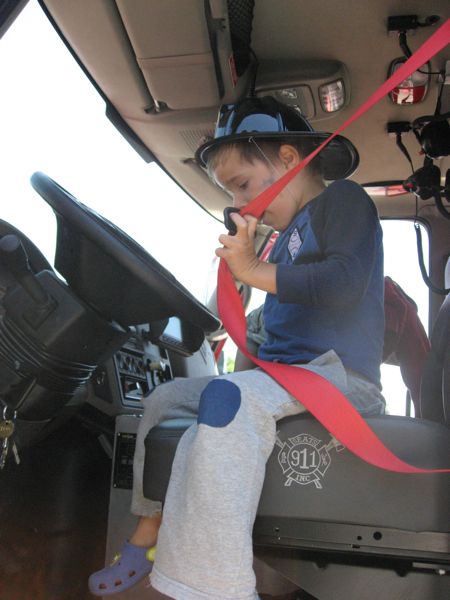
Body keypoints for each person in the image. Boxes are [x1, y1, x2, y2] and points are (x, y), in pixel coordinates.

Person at [88, 96, 386, 599]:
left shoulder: (344, 201)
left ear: (288, 160)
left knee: (228, 397)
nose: (238, 203)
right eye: (230, 192)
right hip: (284, 381)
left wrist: (254, 270)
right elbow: (270, 327)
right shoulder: (281, 238)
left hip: (340, 379)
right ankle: (149, 529)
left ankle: (217, 588)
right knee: (163, 400)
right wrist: (244, 296)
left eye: (243, 185)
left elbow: (343, 283)